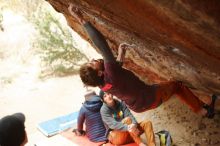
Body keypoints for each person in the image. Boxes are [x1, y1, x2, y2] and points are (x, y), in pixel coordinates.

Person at [68, 4, 218, 118]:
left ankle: (200, 108)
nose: (93, 59)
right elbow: (102, 44)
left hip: (139, 104)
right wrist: (80, 18)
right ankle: (203, 110)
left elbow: (116, 74)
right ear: (100, 72)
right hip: (149, 97)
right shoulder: (110, 72)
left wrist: (121, 54)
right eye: (92, 63)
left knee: (164, 87)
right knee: (177, 85)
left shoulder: (104, 85)